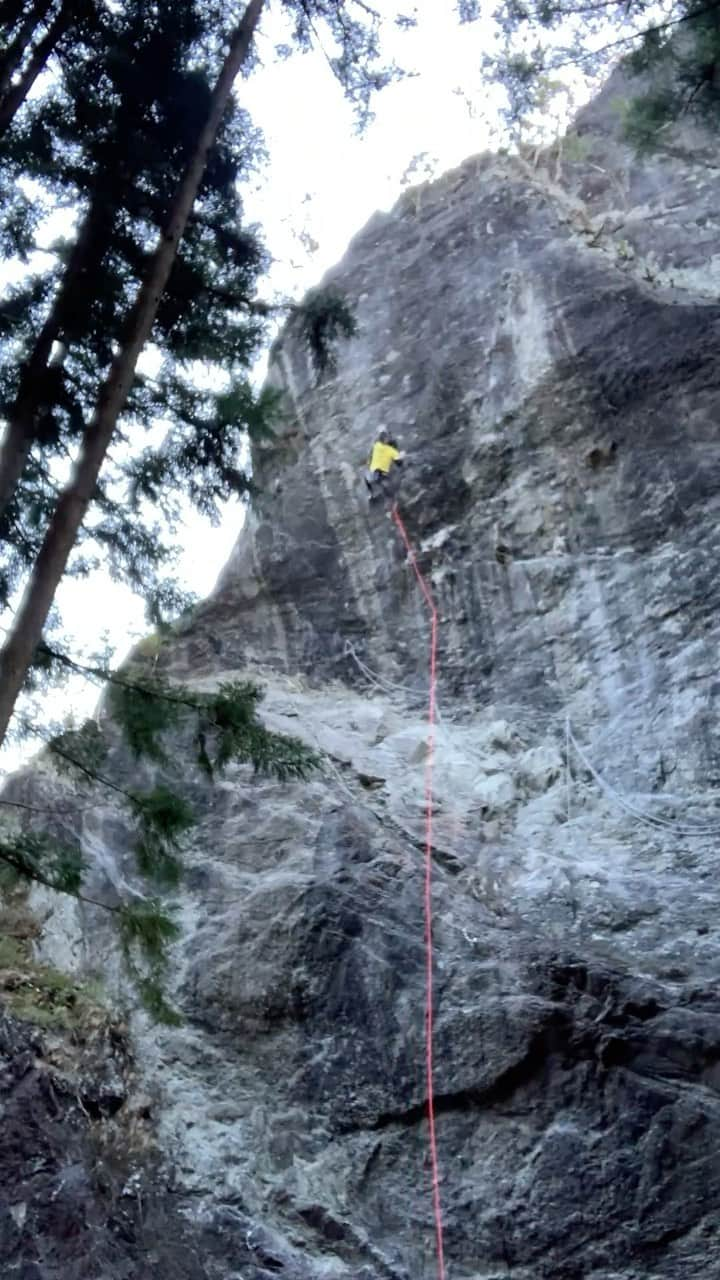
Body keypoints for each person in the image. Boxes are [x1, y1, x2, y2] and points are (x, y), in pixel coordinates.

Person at [365, 429, 405, 502]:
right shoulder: (392, 451)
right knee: (387, 486)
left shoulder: (377, 445)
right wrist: (401, 456)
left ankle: (371, 494)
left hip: (374, 473)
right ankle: (391, 498)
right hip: (381, 474)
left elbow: (371, 454)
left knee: (368, 478)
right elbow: (399, 463)